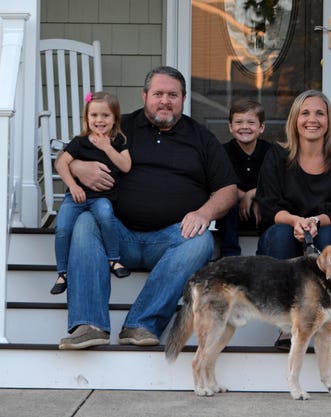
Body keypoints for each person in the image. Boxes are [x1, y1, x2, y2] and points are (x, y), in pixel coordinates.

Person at [57, 66, 238, 349]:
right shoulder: (118, 126)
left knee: (201, 242)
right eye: (158, 94)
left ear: (183, 99)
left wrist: (204, 212)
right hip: (116, 234)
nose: (165, 100)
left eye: (173, 95)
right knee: (85, 222)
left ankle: (141, 324)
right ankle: (89, 324)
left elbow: (228, 190)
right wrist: (79, 167)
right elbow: (71, 155)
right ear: (144, 96)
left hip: (170, 239)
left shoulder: (200, 137)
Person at [255, 89, 331, 351]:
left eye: (319, 113)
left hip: (324, 230)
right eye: (305, 113)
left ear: (328, 121)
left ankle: (328, 325)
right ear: (295, 119)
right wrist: (295, 222)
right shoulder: (276, 156)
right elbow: (268, 205)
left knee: (330, 240)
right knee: (280, 234)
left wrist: (314, 221)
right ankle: (286, 326)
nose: (312, 119)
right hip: (284, 234)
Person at [50, 91, 132, 295]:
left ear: (115, 119)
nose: (99, 120)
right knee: (62, 227)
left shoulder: (118, 141)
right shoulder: (80, 142)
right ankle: (62, 273)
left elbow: (126, 166)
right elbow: (61, 163)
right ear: (87, 118)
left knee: (106, 215)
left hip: (101, 198)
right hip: (76, 197)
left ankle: (114, 259)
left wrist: (107, 148)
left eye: (105, 115)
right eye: (94, 115)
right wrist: (74, 185)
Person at [216, 98, 273, 257]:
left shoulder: (271, 153)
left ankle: (265, 254)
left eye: (251, 122)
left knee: (271, 202)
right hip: (231, 217)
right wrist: (243, 196)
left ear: (261, 127)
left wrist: (254, 195)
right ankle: (230, 255)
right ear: (230, 127)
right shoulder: (222, 152)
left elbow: (277, 184)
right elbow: (218, 183)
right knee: (226, 201)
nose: (245, 127)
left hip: (262, 215)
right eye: (239, 122)